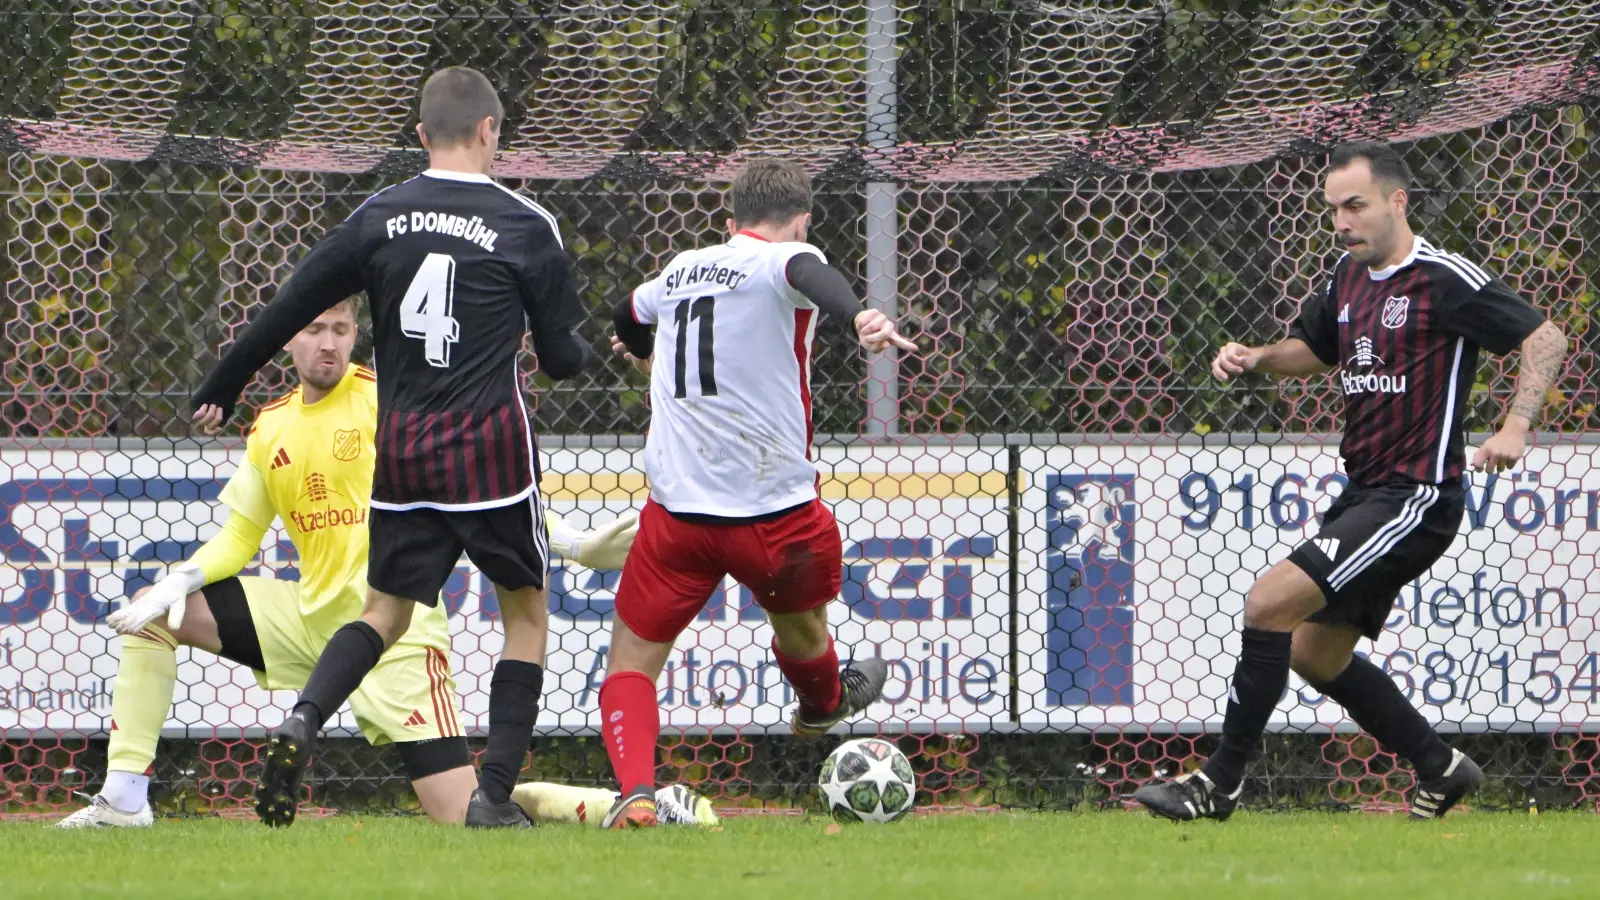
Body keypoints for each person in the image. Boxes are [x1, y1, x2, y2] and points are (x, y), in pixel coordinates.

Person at [188, 66, 593, 827]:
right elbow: (564, 360)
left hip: (403, 453)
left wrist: (225, 381)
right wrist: (581, 348)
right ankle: (494, 799)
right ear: (489, 132)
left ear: (419, 137)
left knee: (384, 613)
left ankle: (307, 716)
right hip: (492, 458)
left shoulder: (378, 216)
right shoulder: (525, 224)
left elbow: (290, 305)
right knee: (527, 618)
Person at [57, 300, 632, 828]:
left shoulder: (389, 402)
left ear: (355, 334)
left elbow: (472, 491)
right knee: (154, 616)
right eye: (313, 330)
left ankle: (624, 804)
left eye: (339, 329)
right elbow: (239, 538)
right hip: (308, 619)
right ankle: (125, 799)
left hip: (393, 634)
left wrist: (574, 544)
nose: (327, 343)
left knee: (466, 814)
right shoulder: (270, 428)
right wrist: (175, 583)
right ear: (289, 339)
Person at [1132, 141, 1567, 822]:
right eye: (1334, 208)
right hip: (1367, 493)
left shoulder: (1443, 277)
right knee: (1312, 651)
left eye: (1355, 205)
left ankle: (1219, 785)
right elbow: (1313, 352)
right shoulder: (1347, 276)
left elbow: (1546, 339)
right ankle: (1440, 766)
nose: (1341, 220)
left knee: (1267, 603)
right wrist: (1256, 357)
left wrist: (1515, 427)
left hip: (1417, 497)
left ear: (1398, 201)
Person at [598, 159, 918, 829]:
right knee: (802, 630)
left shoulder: (683, 267)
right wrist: (859, 315)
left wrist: (644, 354)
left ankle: (635, 793)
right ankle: (826, 702)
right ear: (801, 220)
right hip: (773, 514)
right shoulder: (786, 259)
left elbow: (627, 313)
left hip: (678, 516)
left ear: (730, 221)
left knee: (630, 662)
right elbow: (808, 274)